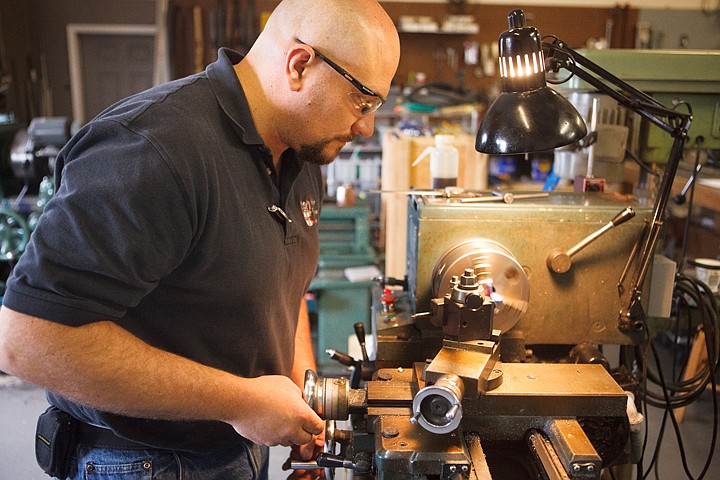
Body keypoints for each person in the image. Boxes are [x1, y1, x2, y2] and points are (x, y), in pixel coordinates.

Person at [0, 0, 400, 478]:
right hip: (141, 460)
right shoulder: (154, 150)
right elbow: (27, 340)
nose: (365, 126)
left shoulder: (301, 152)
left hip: (238, 443)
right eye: (363, 101)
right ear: (299, 66)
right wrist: (243, 401)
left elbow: (283, 287)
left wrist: (300, 390)